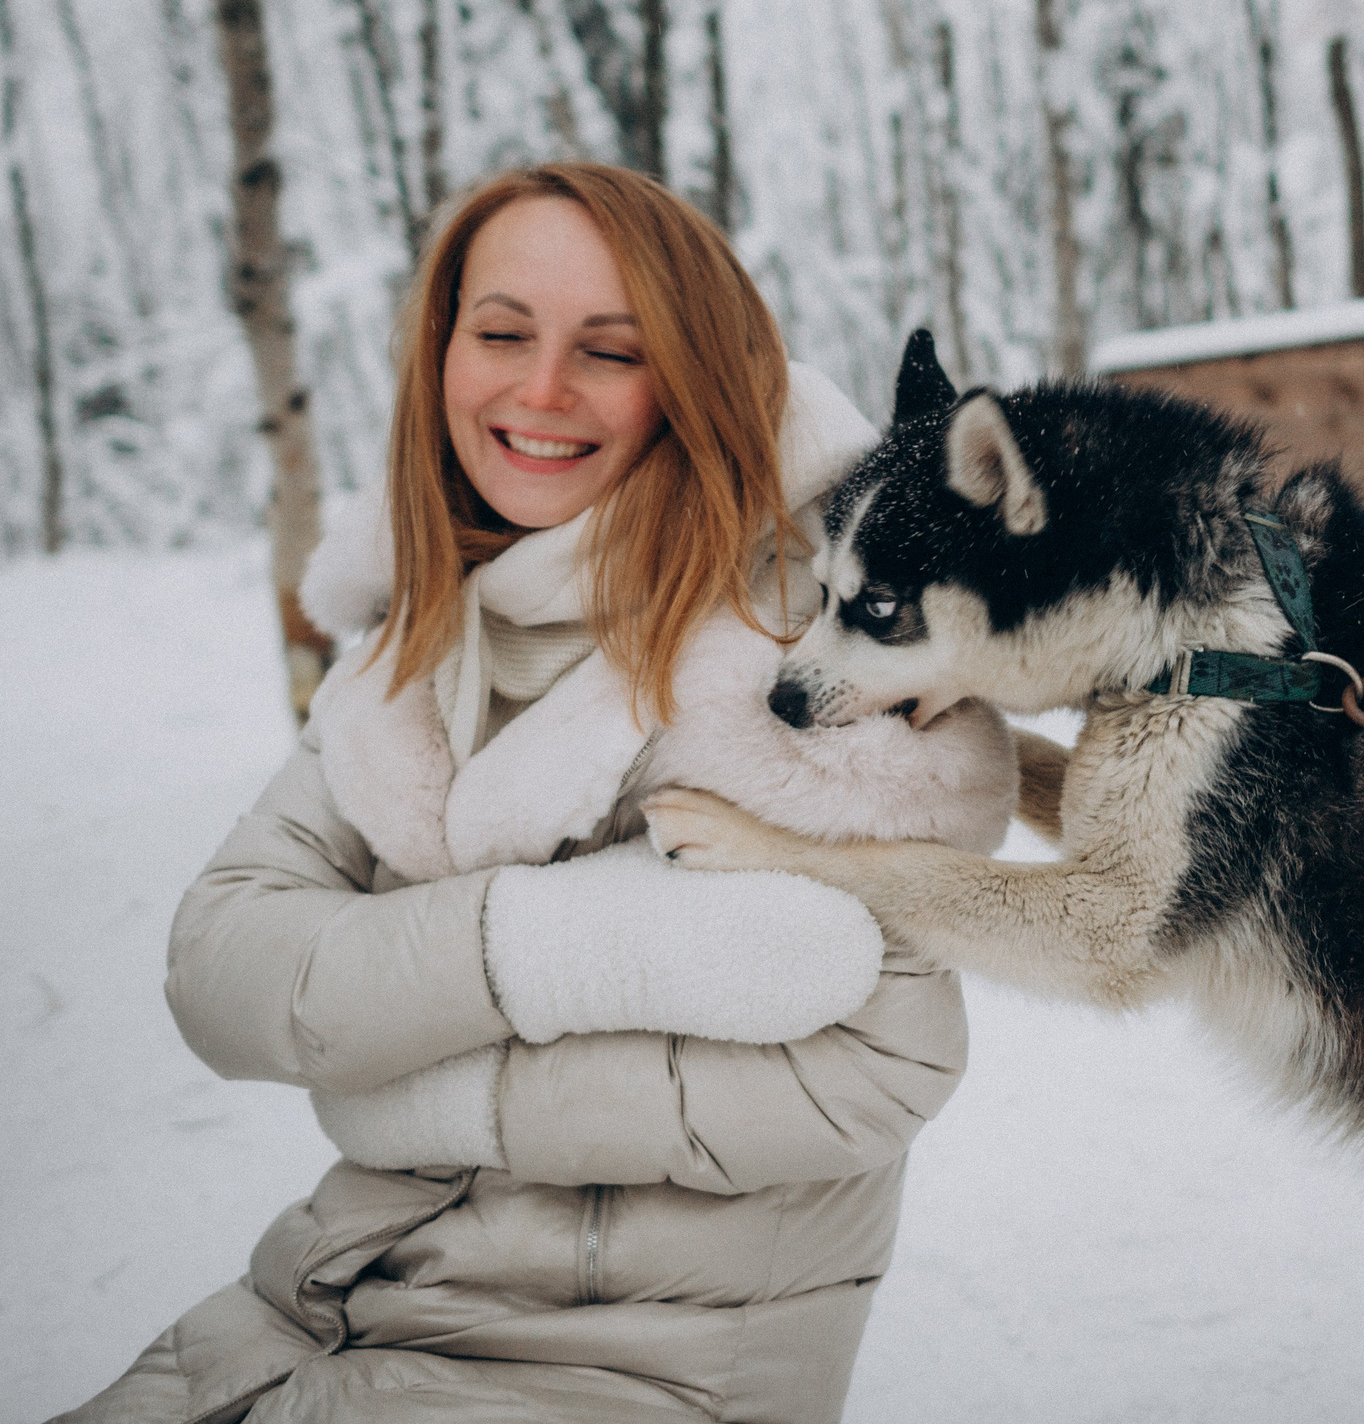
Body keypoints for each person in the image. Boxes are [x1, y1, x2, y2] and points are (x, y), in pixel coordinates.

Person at [61, 163, 970, 1424]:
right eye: (499, 334)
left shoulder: (807, 644)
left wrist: (409, 1083)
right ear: (442, 352)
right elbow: (220, 969)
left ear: (695, 375)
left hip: (632, 1370)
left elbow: (875, 1062)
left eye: (610, 351)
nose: (539, 393)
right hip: (311, 1313)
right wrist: (545, 949)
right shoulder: (412, 641)